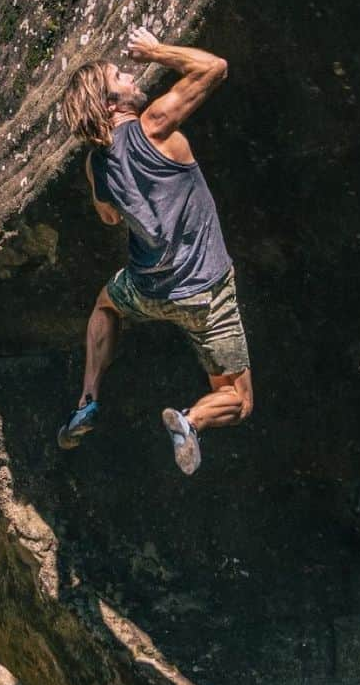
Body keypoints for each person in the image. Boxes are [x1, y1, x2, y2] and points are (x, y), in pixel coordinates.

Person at [58, 25, 253, 475]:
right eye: (120, 77)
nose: (132, 76)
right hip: (207, 291)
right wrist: (155, 51)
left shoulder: (95, 165)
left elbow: (107, 215)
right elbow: (215, 68)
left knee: (107, 302)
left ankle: (87, 399)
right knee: (238, 401)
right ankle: (191, 420)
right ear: (111, 103)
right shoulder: (156, 123)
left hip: (148, 289)